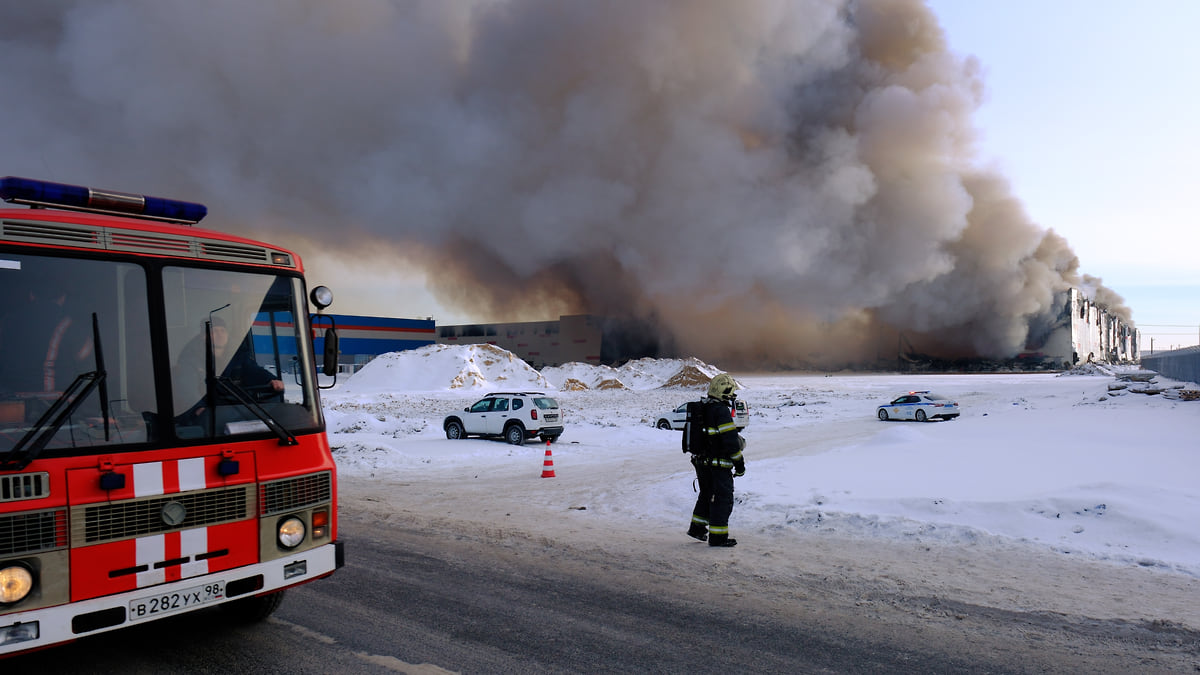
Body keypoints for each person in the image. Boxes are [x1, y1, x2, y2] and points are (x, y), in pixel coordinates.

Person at [175, 316, 283, 426]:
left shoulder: (238, 355)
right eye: (215, 331)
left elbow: (254, 371)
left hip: (237, 409)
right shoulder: (191, 360)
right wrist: (198, 408)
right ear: (204, 336)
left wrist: (271, 380)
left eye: (223, 331)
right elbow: (187, 388)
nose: (220, 335)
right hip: (210, 414)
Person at [684, 373, 746, 547]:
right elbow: (731, 443)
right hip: (718, 465)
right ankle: (718, 537)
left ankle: (696, 529)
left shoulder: (703, 408)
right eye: (730, 392)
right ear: (723, 391)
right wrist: (740, 465)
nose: (732, 396)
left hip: (700, 462)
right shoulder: (721, 411)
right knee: (722, 498)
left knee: (706, 494)